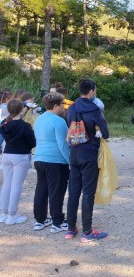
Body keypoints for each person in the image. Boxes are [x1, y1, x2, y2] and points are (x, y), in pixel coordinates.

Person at [65, 78, 109, 242]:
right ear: (91, 91)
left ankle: (70, 229)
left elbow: (69, 124)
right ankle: (88, 232)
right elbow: (106, 133)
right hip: (89, 153)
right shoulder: (94, 109)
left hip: (74, 152)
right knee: (88, 193)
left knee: (74, 192)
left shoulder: (72, 107)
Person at [32, 92, 70, 232]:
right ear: (55, 106)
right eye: (62, 104)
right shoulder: (58, 121)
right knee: (57, 191)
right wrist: (69, 160)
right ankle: (57, 222)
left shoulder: (39, 119)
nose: (64, 107)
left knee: (41, 189)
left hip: (40, 158)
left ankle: (40, 219)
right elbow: (63, 144)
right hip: (55, 160)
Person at [0, 99, 36, 225]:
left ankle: (3, 213)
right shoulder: (24, 126)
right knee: (16, 186)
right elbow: (33, 143)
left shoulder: (5, 124)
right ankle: (12, 214)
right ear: (22, 110)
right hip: (20, 155)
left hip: (7, 154)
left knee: (7, 184)